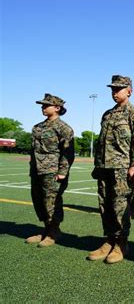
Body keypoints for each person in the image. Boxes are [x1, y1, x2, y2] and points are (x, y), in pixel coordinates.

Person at [87, 75, 134, 264]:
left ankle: (121, 243)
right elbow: (102, 142)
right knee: (105, 205)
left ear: (129, 91)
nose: (114, 92)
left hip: (122, 168)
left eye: (119, 89)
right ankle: (109, 240)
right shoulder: (107, 114)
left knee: (120, 207)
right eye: (112, 89)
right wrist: (97, 164)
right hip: (105, 167)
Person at [26, 94, 74, 247]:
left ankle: (54, 231)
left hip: (52, 170)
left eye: (46, 105)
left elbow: (68, 153)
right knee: (38, 199)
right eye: (42, 105)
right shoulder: (38, 127)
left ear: (57, 108)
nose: (43, 107)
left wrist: (62, 172)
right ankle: (46, 229)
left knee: (51, 201)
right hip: (37, 169)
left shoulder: (64, 128)